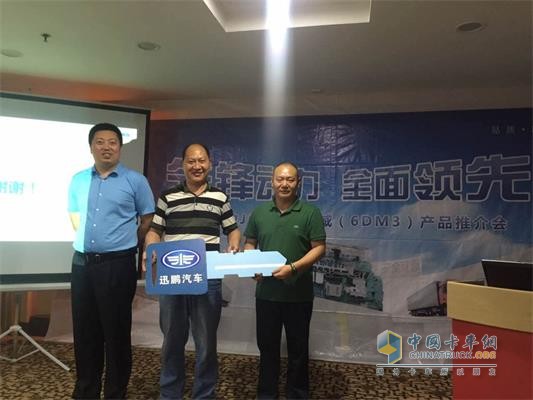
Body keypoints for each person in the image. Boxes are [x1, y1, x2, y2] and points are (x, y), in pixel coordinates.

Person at [143, 143, 241, 400]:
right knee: (172, 340)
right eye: (191, 161)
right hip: (172, 276)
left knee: (206, 343)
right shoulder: (167, 197)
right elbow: (154, 230)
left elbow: (232, 229)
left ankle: (204, 395)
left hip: (208, 277)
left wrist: (233, 243)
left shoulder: (220, 197)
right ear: (183, 164)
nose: (197, 166)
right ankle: (169, 393)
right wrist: (150, 249)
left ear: (210, 163)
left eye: (201, 160)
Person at [68, 123, 155, 399]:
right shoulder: (78, 179)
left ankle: (115, 392)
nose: (106, 147)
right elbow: (74, 217)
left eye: (112, 142)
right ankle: (86, 391)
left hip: (117, 265)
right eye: (100, 142)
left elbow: (147, 220)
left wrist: (123, 241)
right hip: (82, 264)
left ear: (120, 147)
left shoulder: (135, 181)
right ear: (91, 147)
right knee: (84, 332)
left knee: (116, 333)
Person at [244, 161, 326, 400]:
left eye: (290, 179)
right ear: (272, 181)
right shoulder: (260, 213)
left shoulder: (310, 213)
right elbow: (250, 243)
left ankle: (297, 395)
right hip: (266, 295)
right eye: (280, 179)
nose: (284, 184)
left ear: (298, 182)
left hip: (298, 296)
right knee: (267, 349)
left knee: (298, 351)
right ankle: (266, 394)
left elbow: (319, 248)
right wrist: (253, 265)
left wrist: (294, 268)